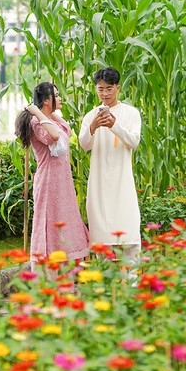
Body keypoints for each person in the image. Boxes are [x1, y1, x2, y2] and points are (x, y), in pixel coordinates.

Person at [15, 82, 90, 263]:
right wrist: (39, 113)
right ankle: (48, 271)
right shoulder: (37, 123)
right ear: (47, 100)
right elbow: (54, 137)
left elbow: (67, 130)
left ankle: (65, 266)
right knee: (50, 221)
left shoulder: (50, 120)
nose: (60, 98)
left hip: (62, 183)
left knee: (65, 220)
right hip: (49, 183)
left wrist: (47, 112)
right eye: (56, 96)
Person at [79, 67, 143, 273]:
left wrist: (114, 125)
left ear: (118, 88)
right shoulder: (91, 115)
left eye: (109, 89)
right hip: (98, 182)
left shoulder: (131, 113)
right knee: (101, 237)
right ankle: (106, 284)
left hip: (122, 182)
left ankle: (132, 283)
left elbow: (133, 141)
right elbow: (83, 144)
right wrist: (93, 127)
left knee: (129, 233)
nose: (105, 94)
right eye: (100, 89)